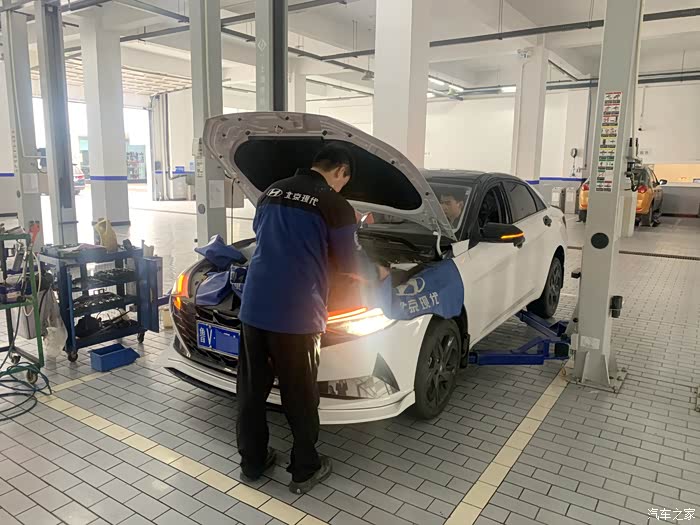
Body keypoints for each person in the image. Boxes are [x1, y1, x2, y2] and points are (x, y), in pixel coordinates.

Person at [236, 143, 383, 495]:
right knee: (300, 396)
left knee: (252, 391)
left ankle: (252, 462)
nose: (342, 187)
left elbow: (265, 237)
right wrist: (377, 270)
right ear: (341, 172)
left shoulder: (271, 191)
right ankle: (304, 469)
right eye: (344, 181)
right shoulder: (334, 204)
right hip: (297, 313)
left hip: (254, 307)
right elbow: (348, 263)